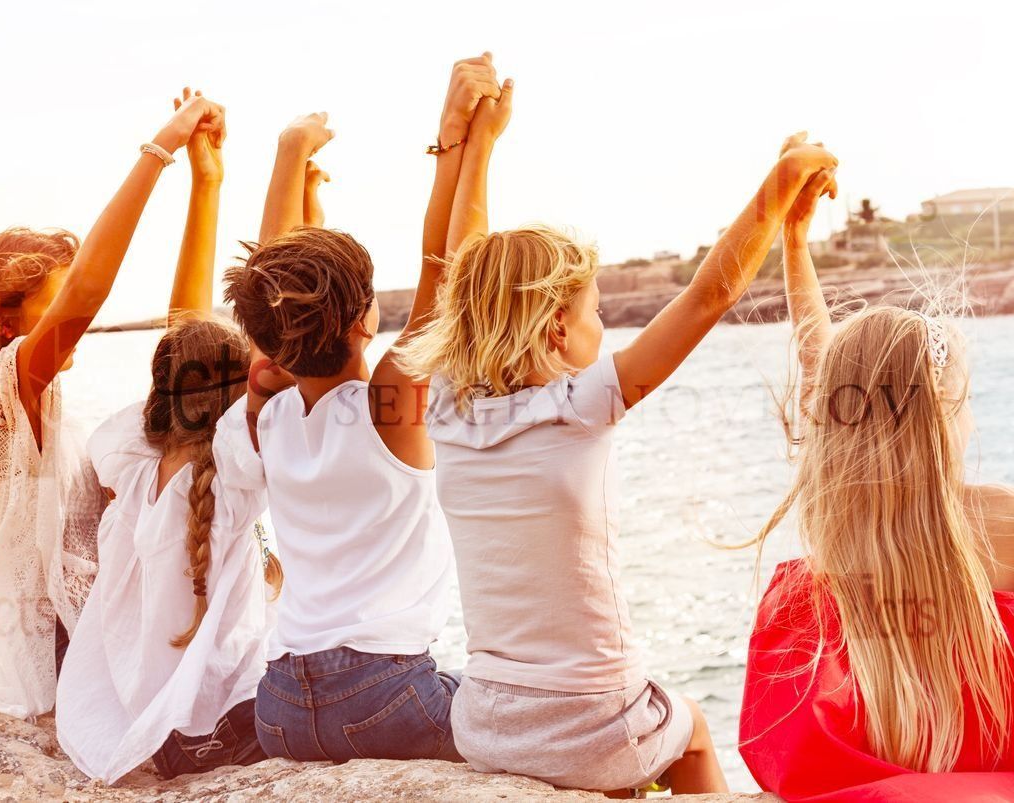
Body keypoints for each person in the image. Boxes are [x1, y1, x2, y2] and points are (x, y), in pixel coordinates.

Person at [397, 130, 838, 794]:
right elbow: (707, 298)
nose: (601, 327)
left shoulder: (445, 409)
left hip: (485, 721)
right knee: (690, 725)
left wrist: (477, 142)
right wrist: (783, 183)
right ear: (557, 326)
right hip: (592, 719)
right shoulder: (581, 403)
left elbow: (469, 267)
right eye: (595, 312)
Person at [0, 91, 225, 719]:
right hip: (66, 654)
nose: (75, 321)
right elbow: (89, 293)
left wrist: (207, 185)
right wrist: (160, 149)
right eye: (56, 301)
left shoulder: (30, 409)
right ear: (7, 322)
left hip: (85, 641)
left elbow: (189, 342)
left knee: (196, 384)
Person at [217, 54, 504, 763]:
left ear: (267, 341)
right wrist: (468, 144)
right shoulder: (389, 407)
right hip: (384, 695)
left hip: (280, 706)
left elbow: (270, 287)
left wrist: (289, 153)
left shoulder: (266, 412)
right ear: (366, 321)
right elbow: (450, 265)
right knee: (537, 724)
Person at [737, 154, 1014, 801]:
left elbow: (831, 377)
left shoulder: (832, 550)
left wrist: (794, 242)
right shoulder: (998, 524)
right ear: (943, 416)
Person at [54, 89, 291, 783]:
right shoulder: (236, 473)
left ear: (159, 395)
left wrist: (205, 179)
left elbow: (185, 333)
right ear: (246, 389)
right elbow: (257, 335)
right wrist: (286, 163)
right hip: (213, 722)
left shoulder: (133, 465)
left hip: (141, 718)